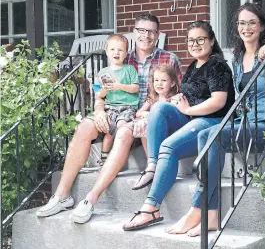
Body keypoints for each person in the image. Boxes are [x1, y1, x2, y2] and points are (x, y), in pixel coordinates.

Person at [162, 2, 265, 237]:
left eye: (252, 22)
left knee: (211, 137)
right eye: (242, 23)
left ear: (262, 25)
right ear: (237, 28)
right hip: (244, 122)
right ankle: (211, 213)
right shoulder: (237, 58)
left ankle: (197, 209)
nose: (247, 27)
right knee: (207, 134)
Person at [36, 13, 182, 224]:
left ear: (157, 34)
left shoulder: (169, 59)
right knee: (85, 127)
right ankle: (61, 195)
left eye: (151, 31)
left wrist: (155, 110)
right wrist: (98, 110)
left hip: (145, 118)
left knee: (123, 133)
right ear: (134, 32)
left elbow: (179, 95)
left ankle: (90, 199)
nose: (146, 35)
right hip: (114, 111)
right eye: (141, 30)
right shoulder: (122, 57)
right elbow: (100, 92)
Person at [123, 20, 235, 231]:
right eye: (191, 40)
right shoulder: (193, 66)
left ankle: (151, 207)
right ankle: (153, 164)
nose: (195, 44)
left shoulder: (217, 65)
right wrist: (178, 101)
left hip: (214, 121)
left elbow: (218, 102)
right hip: (194, 120)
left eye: (200, 39)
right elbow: (191, 97)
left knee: (169, 146)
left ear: (211, 40)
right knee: (158, 108)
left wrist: (187, 110)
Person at [92, 35, 140, 167]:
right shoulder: (103, 72)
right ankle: (104, 158)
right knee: (109, 131)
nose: (116, 53)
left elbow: (136, 88)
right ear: (107, 52)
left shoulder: (129, 69)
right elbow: (98, 94)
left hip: (128, 107)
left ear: (126, 53)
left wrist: (120, 86)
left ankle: (118, 157)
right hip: (110, 107)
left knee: (120, 127)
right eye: (112, 49)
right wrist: (103, 90)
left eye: (120, 50)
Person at [131, 64, 181, 171]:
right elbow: (139, 113)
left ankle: (157, 161)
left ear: (172, 83)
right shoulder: (153, 98)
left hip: (169, 129)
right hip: (153, 130)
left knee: (147, 123)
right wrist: (148, 114)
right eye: (156, 80)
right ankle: (151, 160)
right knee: (143, 122)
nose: (159, 83)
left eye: (163, 80)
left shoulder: (175, 98)